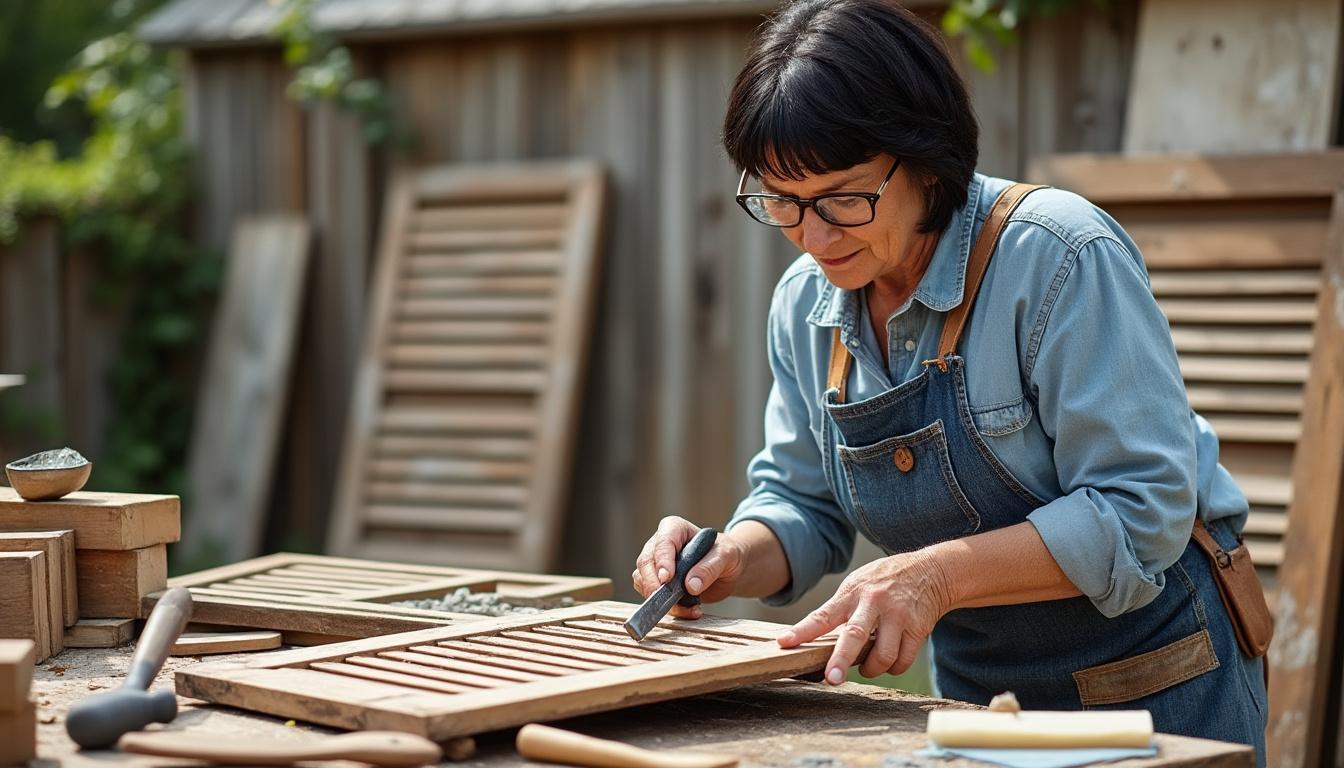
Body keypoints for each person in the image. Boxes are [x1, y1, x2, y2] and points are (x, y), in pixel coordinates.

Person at [630, 0, 1267, 761]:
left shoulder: (1059, 257)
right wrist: (733, 554)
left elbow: (1143, 510)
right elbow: (803, 503)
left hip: (1155, 682)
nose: (813, 235)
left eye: (843, 199)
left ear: (926, 157)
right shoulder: (806, 304)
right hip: (976, 701)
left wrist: (935, 577)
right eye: (782, 201)